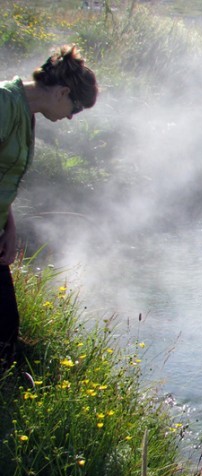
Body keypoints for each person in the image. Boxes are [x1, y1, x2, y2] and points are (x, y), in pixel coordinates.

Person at [0, 44, 98, 370]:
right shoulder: (3, 104)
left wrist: (10, 228)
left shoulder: (25, 113)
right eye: (76, 108)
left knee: (6, 328)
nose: (71, 116)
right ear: (63, 92)